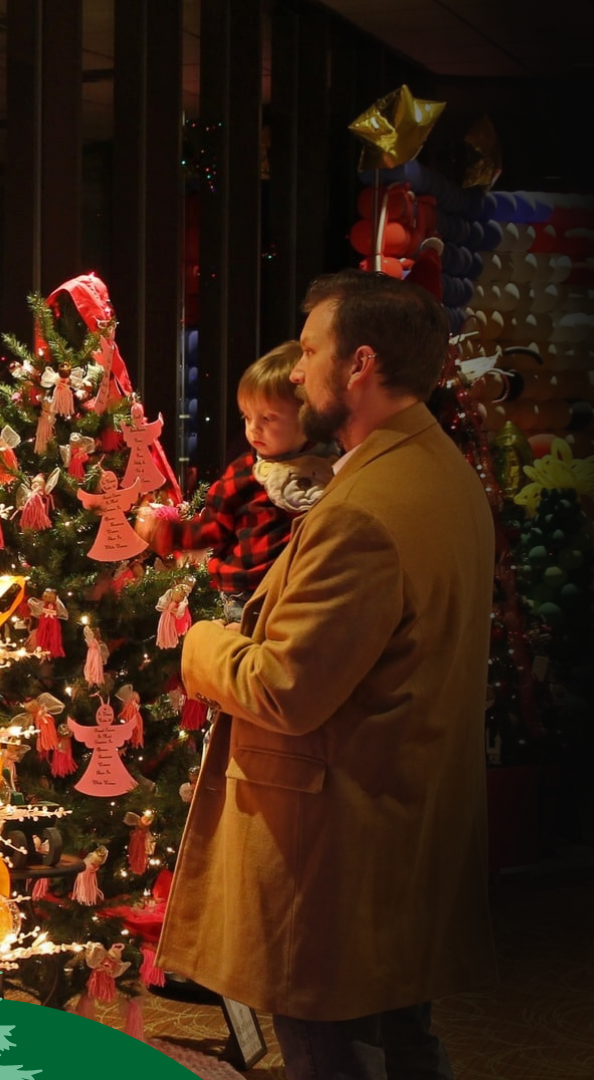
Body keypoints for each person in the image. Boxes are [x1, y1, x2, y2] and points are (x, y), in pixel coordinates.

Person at [160, 269, 494, 1079]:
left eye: (311, 351)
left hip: (334, 845)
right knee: (402, 1041)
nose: (298, 368)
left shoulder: (362, 510)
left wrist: (197, 643)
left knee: (330, 1054)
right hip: (399, 819)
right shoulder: (435, 467)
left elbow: (284, 688)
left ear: (361, 364)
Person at [136, 342, 338, 621]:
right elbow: (212, 527)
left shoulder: (331, 469)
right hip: (246, 596)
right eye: (247, 417)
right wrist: (166, 532)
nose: (254, 428)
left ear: (307, 415)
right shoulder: (245, 473)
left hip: (299, 594)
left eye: (268, 418)